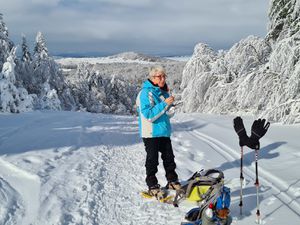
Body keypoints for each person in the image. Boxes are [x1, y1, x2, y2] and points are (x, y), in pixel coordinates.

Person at [136, 65, 181, 199]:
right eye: (159, 77)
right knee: (152, 160)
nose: (162, 79)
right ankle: (152, 185)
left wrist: (171, 109)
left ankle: (172, 181)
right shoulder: (145, 93)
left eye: (164, 76)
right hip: (150, 133)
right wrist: (165, 104)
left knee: (169, 158)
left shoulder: (163, 92)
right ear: (152, 78)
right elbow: (149, 115)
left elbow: (165, 114)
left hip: (164, 131)